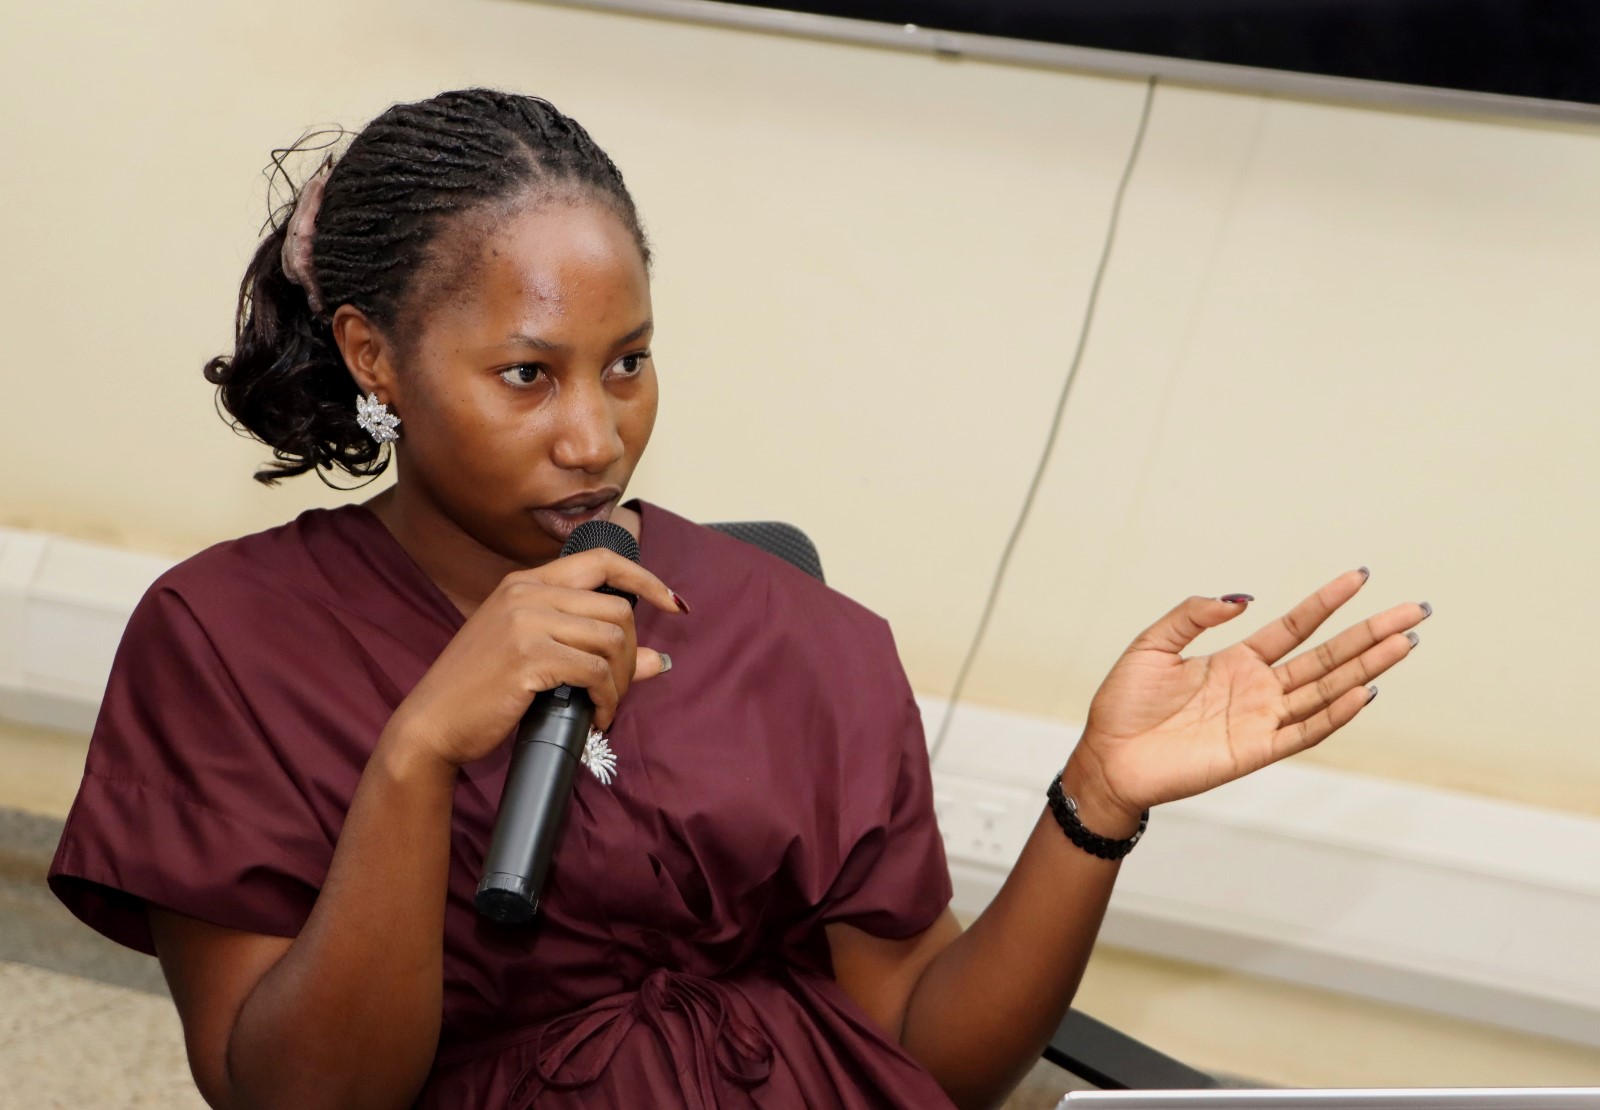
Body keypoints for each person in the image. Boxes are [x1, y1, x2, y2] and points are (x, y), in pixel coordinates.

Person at [47, 88, 1428, 1110]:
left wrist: (1096, 803)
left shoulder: (798, 639)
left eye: (630, 362)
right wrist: (417, 756)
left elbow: (932, 1052)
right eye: (529, 374)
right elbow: (298, 1101)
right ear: (377, 355)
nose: (596, 435)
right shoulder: (224, 642)